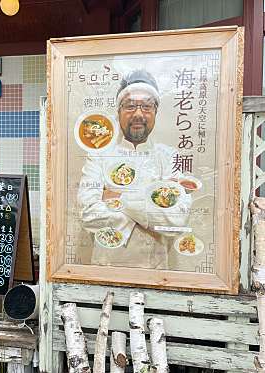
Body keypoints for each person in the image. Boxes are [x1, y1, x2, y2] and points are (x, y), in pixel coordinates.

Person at [77, 69, 192, 269]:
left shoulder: (169, 157)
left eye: (146, 106)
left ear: (156, 112)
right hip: (107, 270)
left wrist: (117, 197)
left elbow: (176, 220)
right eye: (130, 106)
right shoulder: (99, 154)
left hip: (156, 273)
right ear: (119, 111)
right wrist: (151, 201)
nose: (138, 114)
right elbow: (88, 215)